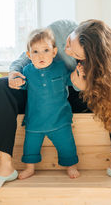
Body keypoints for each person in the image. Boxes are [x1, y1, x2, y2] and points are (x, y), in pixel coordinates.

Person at [0, 19, 111, 194]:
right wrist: (14, 73)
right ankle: (5, 166)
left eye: (75, 55)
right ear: (73, 32)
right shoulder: (59, 28)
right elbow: (25, 56)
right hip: (39, 90)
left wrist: (84, 86)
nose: (67, 51)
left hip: (74, 91)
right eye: (68, 44)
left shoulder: (98, 60)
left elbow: (101, 85)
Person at [17, 28, 79, 180]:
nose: (41, 55)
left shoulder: (60, 67)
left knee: (67, 144)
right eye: (35, 52)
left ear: (54, 52)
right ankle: (30, 168)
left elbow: (72, 81)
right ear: (29, 55)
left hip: (59, 119)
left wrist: (79, 73)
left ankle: (71, 166)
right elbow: (22, 85)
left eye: (46, 50)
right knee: (30, 146)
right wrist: (17, 81)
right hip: (35, 121)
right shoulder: (27, 71)